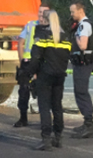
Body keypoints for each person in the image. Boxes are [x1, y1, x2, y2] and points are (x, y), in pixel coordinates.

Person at [27, 9, 71, 150]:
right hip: (60, 75)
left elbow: (36, 57)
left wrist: (30, 72)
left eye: (41, 17)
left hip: (45, 75)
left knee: (44, 107)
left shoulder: (42, 34)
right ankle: (58, 138)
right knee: (57, 106)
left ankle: (46, 140)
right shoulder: (65, 36)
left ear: (45, 20)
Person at [14, 5, 51, 127]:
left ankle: (45, 120)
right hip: (27, 62)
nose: (41, 14)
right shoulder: (30, 25)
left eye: (44, 12)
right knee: (23, 91)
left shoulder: (52, 27)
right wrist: (21, 61)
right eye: (40, 11)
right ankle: (23, 118)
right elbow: (21, 43)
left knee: (43, 93)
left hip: (42, 64)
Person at [68, 0, 93, 138]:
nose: (71, 14)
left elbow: (83, 46)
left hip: (83, 63)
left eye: (73, 11)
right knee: (80, 91)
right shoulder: (84, 25)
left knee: (81, 92)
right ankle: (86, 123)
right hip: (83, 63)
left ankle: (89, 125)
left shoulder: (83, 26)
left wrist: (76, 37)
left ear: (80, 11)